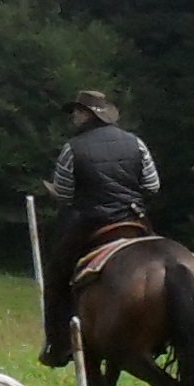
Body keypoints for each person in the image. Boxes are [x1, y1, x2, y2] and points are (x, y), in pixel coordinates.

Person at [39, 89, 162, 369]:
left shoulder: (73, 148)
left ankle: (57, 344)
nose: (73, 116)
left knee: (56, 276)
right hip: (133, 218)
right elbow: (153, 186)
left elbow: (65, 195)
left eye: (76, 111)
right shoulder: (136, 143)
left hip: (91, 222)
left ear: (87, 115)